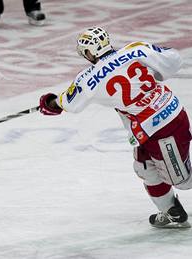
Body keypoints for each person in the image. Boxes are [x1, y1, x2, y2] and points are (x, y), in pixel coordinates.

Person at [38, 27, 191, 228]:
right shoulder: (136, 48)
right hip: (159, 120)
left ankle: (172, 204)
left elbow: (69, 103)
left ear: (89, 52)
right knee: (145, 168)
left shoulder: (88, 78)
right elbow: (173, 59)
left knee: (183, 181)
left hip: (161, 129)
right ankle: (171, 211)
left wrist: (50, 103)